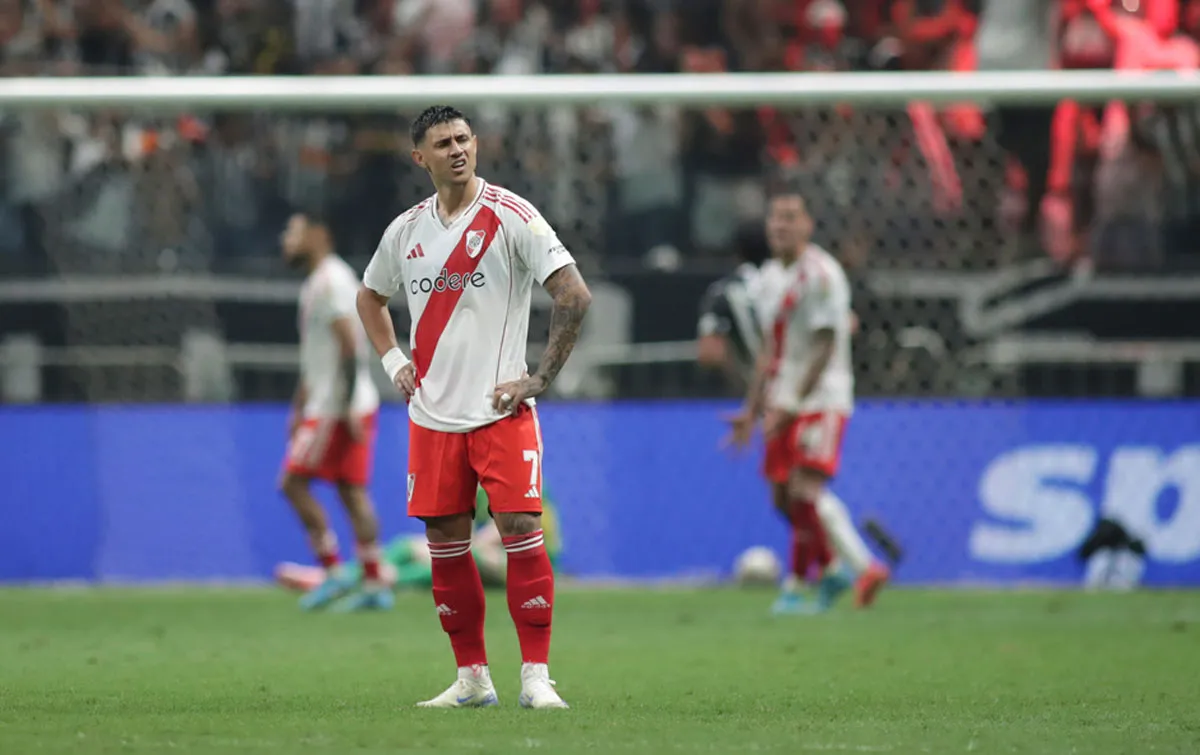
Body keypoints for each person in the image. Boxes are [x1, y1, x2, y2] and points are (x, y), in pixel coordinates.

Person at [356, 105, 591, 709]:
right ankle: (472, 679)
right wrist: (393, 363)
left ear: (476, 145)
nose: (457, 149)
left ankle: (536, 677)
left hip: (499, 412)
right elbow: (369, 298)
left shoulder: (513, 216)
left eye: (463, 138)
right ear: (421, 157)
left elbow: (573, 294)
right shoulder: (405, 231)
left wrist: (540, 377)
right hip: (432, 416)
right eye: (443, 142)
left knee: (519, 529)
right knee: (446, 542)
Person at [725, 188, 888, 615]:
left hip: (822, 398)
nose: (781, 225)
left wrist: (794, 403)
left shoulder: (823, 274)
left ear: (808, 225)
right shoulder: (766, 279)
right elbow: (767, 350)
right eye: (775, 217)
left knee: (803, 489)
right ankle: (835, 566)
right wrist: (751, 407)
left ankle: (799, 584)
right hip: (783, 398)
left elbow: (825, 341)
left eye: (791, 217)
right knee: (781, 497)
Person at [278, 212, 390, 613]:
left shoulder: (331, 281)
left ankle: (334, 571)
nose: (285, 240)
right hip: (335, 402)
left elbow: (349, 345)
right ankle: (374, 581)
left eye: (293, 232)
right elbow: (318, 357)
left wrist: (342, 409)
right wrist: (298, 406)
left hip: (336, 407)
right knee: (350, 490)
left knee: (292, 483)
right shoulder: (318, 282)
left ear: (319, 235)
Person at [275, 486, 565, 593]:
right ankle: (342, 575)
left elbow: (500, 536)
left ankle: (390, 579)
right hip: (492, 555)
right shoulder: (476, 487)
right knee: (409, 544)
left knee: (457, 556)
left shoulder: (521, 479)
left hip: (524, 564)